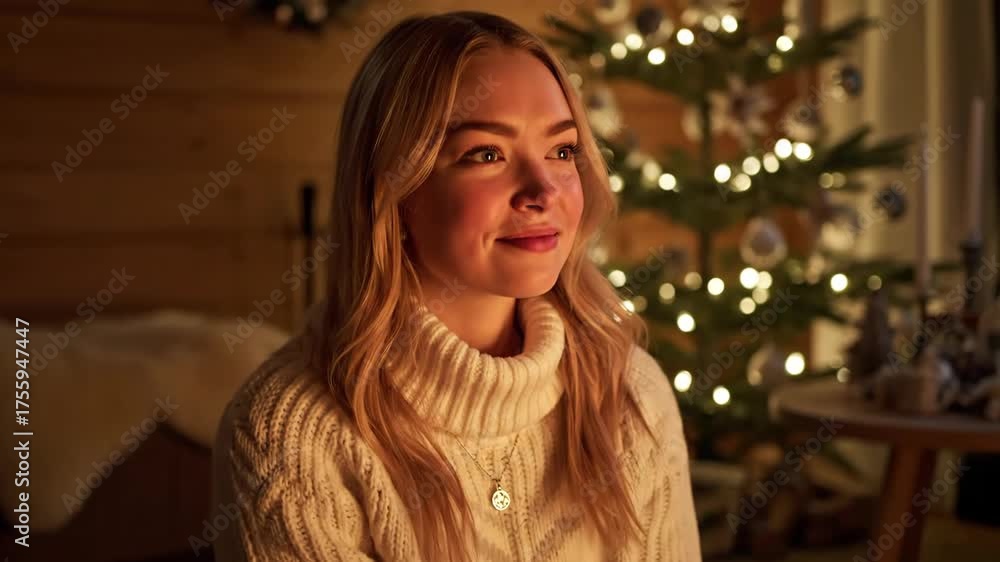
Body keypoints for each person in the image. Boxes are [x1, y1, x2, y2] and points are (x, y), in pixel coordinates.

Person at [212, 10, 701, 562]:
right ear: (395, 190)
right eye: (486, 154)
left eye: (562, 151)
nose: (543, 190)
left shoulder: (631, 391)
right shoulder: (287, 436)